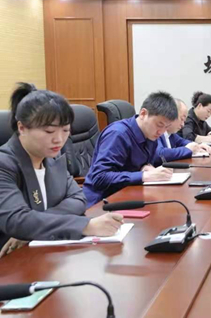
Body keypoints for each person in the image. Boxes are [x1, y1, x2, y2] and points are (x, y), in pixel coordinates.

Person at [0, 83, 123, 257]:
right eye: (49, 131)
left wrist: (33, 227)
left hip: (44, 254)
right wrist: (85, 226)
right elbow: (16, 220)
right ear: (22, 128)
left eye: (65, 130)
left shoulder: (53, 158)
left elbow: (78, 199)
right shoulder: (4, 164)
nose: (59, 139)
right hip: (10, 261)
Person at [83, 91, 178, 207]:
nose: (161, 132)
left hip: (130, 194)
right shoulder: (118, 134)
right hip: (102, 202)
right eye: (159, 125)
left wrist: (146, 167)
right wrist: (144, 175)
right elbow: (100, 177)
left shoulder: (150, 134)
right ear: (143, 114)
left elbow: (137, 164)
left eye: (166, 127)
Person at [155, 99, 211, 163]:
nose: (182, 125)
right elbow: (160, 154)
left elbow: (182, 141)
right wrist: (188, 149)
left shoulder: (171, 134)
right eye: (182, 119)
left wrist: (197, 146)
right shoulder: (156, 132)